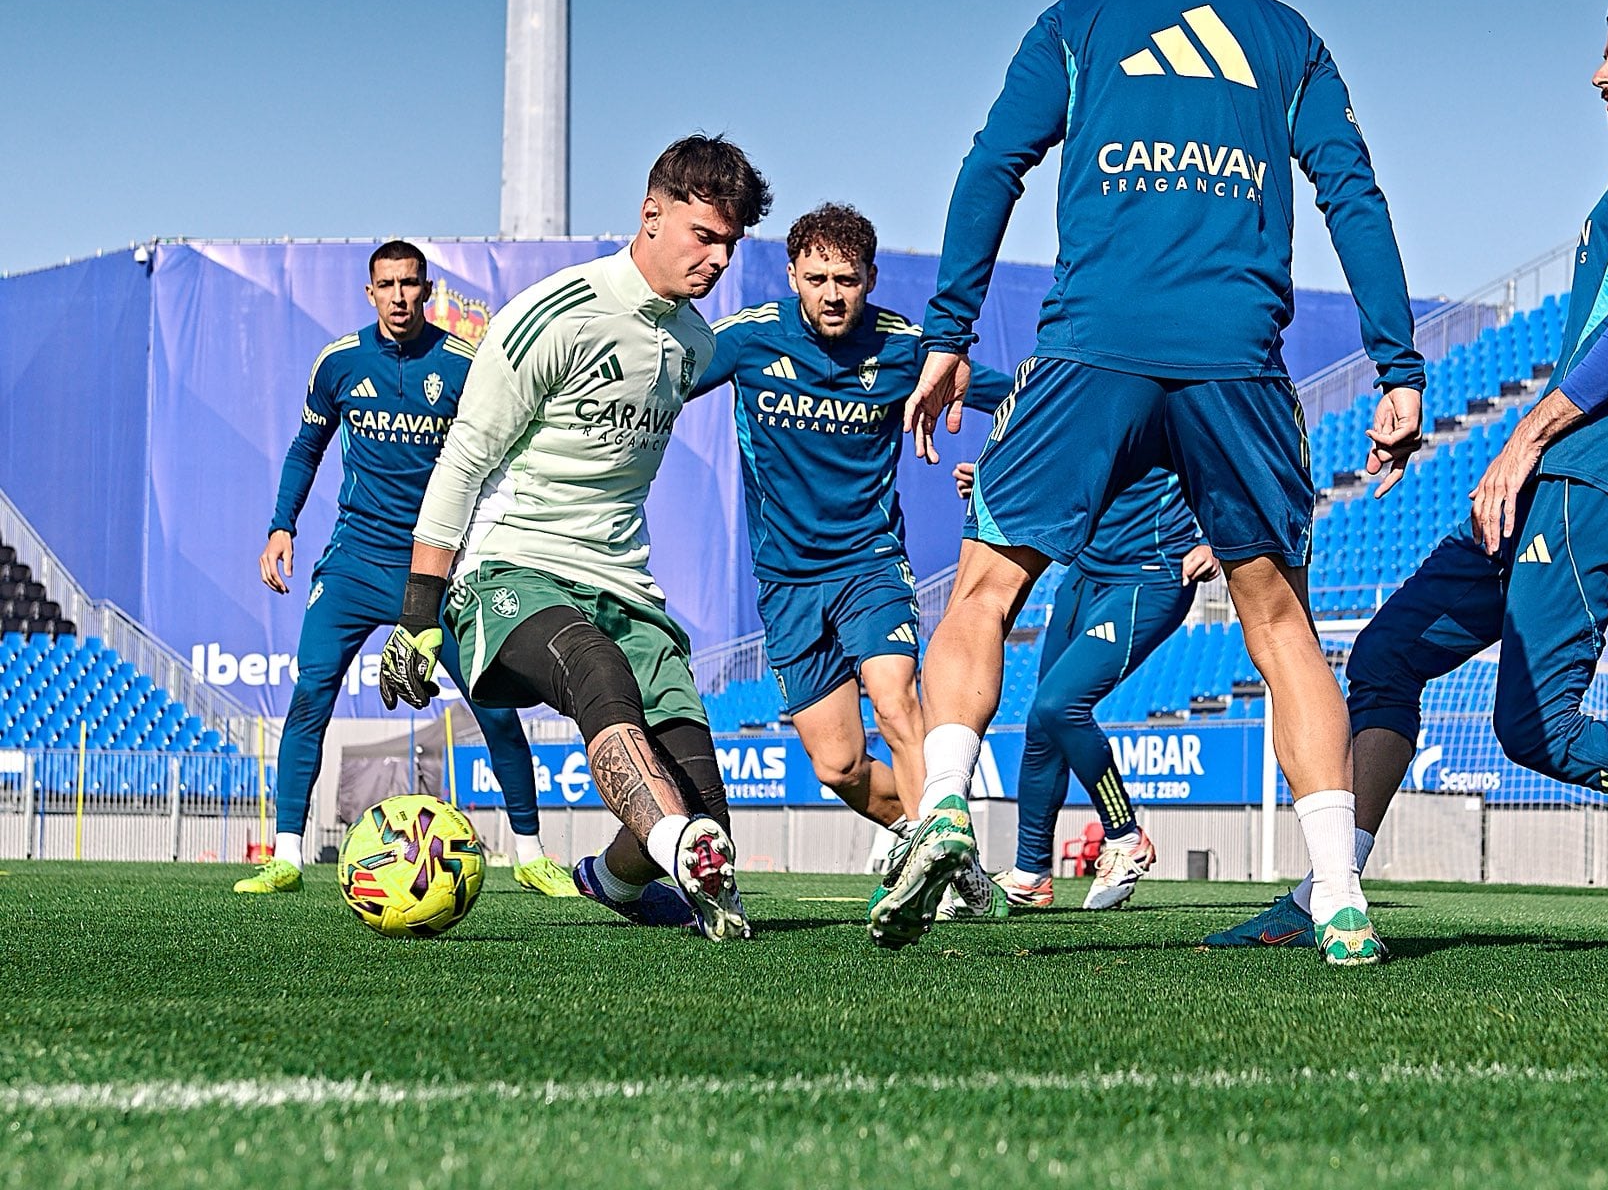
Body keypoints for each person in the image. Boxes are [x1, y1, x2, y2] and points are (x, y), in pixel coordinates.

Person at [1208, 0, 1608, 959]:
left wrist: (1525, 438)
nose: (1598, 73)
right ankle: (1320, 892)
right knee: (1388, 654)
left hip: (1578, 476)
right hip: (1593, 480)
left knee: (1535, 730)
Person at [870, 0, 1427, 964]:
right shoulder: (1284, 33)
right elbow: (1351, 193)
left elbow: (992, 168)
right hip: (1235, 358)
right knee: (1279, 626)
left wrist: (945, 335)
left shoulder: (1079, 18)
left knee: (984, 589)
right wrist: (1396, 366)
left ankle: (938, 807)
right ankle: (1338, 893)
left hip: (1092, 347)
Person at [377, 136, 772, 938]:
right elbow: (462, 461)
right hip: (511, 567)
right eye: (705, 235)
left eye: (731, 243)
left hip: (625, 584)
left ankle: (620, 880)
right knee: (598, 673)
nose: (719, 259)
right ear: (651, 214)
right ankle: (683, 855)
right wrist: (419, 613)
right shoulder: (553, 314)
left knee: (706, 805)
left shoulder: (693, 345)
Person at [691, 203, 1015, 914]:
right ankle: (933, 847)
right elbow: (661, 379)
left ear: (870, 279)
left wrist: (1000, 463)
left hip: (870, 563)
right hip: (785, 582)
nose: (832, 294)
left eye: (847, 279)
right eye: (817, 278)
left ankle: (935, 859)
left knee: (898, 699)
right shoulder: (749, 340)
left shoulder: (906, 349)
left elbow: (1017, 396)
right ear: (793, 276)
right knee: (837, 765)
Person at [236, 241, 566, 897]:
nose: (397, 296)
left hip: (438, 567)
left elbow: (504, 457)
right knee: (309, 698)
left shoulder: (464, 364)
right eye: (385, 284)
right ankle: (287, 855)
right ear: (369, 292)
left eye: (409, 284)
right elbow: (307, 448)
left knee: (495, 708)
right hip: (354, 562)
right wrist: (281, 526)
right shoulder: (339, 362)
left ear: (427, 289)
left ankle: (529, 853)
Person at [956, 462, 1219, 911]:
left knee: (1060, 706)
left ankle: (1124, 836)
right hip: (1082, 576)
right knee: (1041, 722)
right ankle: (1030, 874)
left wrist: (1220, 543)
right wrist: (996, 477)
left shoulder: (1175, 394)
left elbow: (1237, 455)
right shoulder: (1083, 395)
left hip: (1150, 577)